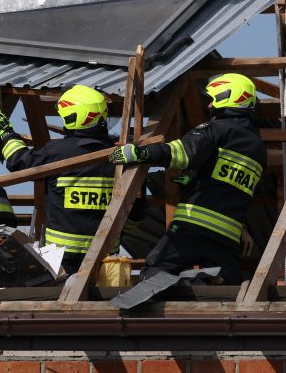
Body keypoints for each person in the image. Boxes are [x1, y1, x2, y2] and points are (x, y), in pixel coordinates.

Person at [108, 73, 266, 285]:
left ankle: (187, 282)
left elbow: (182, 153)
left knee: (154, 271)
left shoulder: (216, 130)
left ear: (228, 97)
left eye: (213, 99)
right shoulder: (258, 148)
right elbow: (227, 181)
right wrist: (194, 181)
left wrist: (140, 154)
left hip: (192, 227)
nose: (209, 106)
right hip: (228, 236)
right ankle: (210, 281)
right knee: (226, 289)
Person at [0, 85, 116, 275]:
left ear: (71, 117)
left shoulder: (58, 152)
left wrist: (6, 133)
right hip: (107, 257)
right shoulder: (121, 154)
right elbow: (136, 213)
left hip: (61, 257)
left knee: (57, 301)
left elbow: (18, 161)